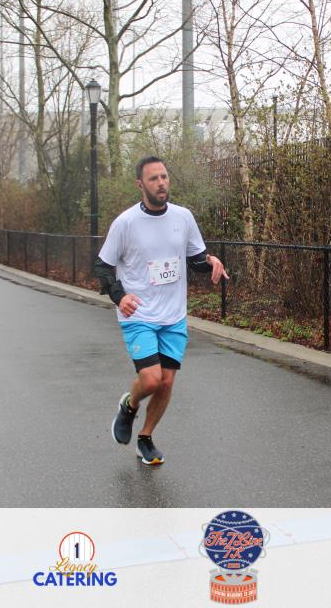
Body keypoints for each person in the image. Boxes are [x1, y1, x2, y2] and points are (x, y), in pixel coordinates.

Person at [96, 156, 228, 466]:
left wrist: (210, 261)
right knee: (151, 380)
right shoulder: (126, 223)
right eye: (153, 178)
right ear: (140, 185)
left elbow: (195, 259)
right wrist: (119, 296)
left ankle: (145, 437)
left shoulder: (183, 217)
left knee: (166, 383)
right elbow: (102, 266)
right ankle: (129, 405)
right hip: (139, 315)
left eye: (164, 177)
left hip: (173, 316)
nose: (161, 183)